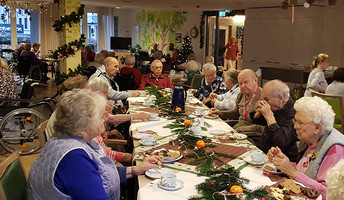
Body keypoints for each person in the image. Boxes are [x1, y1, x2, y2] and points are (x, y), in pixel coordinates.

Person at [28, 89, 162, 199]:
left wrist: (135, 170)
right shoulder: (75, 158)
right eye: (101, 116)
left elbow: (103, 173)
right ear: (84, 124)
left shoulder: (74, 139)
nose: (105, 119)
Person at [267, 96, 344, 199]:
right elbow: (306, 168)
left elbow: (329, 192)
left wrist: (293, 172)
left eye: (300, 123)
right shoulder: (311, 140)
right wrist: (283, 163)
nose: (295, 126)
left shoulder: (335, 149)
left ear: (317, 127)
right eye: (295, 121)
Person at [89, 77, 150, 163]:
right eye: (105, 92)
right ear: (95, 92)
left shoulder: (96, 105)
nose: (107, 95)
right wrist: (129, 158)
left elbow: (110, 119)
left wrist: (107, 134)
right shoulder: (90, 113)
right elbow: (111, 120)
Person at [250, 80, 298, 162]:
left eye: (266, 99)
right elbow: (258, 122)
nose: (264, 102)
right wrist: (258, 113)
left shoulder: (294, 113)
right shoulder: (277, 107)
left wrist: (269, 116)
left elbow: (282, 142)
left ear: (280, 98)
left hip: (282, 157)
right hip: (265, 147)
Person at [211, 69, 263, 135]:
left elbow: (262, 127)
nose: (243, 86)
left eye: (246, 82)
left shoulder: (263, 97)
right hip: (238, 129)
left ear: (255, 81)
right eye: (240, 83)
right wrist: (220, 113)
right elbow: (236, 113)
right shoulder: (241, 94)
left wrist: (240, 130)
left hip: (251, 134)